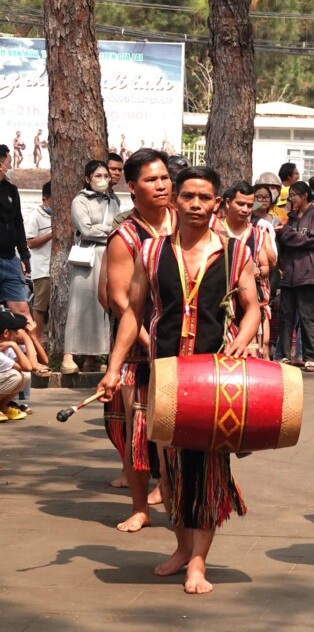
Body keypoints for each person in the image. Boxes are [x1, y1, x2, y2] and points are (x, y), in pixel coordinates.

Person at [98, 165, 260, 595]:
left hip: (214, 380)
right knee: (168, 470)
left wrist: (241, 342)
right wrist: (115, 367)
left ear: (216, 204)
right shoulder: (151, 252)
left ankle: (199, 563)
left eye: (204, 198)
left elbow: (252, 309)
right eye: (187, 196)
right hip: (163, 376)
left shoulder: (236, 252)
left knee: (205, 468)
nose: (195, 205)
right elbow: (132, 312)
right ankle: (181, 548)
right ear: (176, 201)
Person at [102, 147, 177, 526]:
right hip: (138, 347)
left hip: (186, 345)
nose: (161, 185)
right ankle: (139, 508)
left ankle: (174, 494)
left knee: (178, 430)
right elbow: (118, 300)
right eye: (151, 179)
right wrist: (152, 343)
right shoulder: (125, 236)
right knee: (139, 429)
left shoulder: (186, 222)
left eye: (164, 177)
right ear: (132, 187)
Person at [64, 160, 120, 374]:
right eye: (97, 176)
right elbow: (85, 231)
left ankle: (93, 357)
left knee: (101, 306)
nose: (102, 180)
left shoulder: (112, 199)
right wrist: (107, 229)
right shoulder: (80, 200)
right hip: (87, 256)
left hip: (108, 254)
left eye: (105, 175)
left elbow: (118, 226)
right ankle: (69, 355)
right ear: (88, 178)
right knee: (80, 305)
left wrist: (102, 229)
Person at [216, 181, 276, 358]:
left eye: (249, 205)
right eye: (240, 204)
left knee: (253, 353)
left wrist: (258, 272)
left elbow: (267, 266)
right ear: (228, 203)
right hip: (218, 303)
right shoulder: (214, 230)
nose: (245, 209)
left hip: (248, 301)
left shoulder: (257, 234)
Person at [277, 181, 314, 372]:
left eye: (294, 195)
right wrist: (289, 236)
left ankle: (308, 356)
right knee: (286, 317)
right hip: (289, 275)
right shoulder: (291, 217)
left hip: (309, 275)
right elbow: (283, 239)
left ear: (305, 195)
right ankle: (284, 355)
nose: (292, 199)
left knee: (307, 318)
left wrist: (288, 236)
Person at [0, 145, 31, 320]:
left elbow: (18, 223)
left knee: (23, 312)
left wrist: (24, 255)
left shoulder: (11, 190)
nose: (11, 167)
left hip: (11, 260)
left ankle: (29, 347)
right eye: (9, 162)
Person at [24, 182, 52, 336]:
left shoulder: (58, 215)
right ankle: (38, 339)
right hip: (42, 269)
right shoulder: (35, 216)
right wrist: (51, 234)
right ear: (45, 199)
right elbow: (31, 243)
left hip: (56, 268)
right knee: (40, 307)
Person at [0, 310, 31, 422]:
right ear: (6, 333)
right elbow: (27, 366)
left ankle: (3, 406)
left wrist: (13, 346)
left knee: (25, 375)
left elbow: (27, 367)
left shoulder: (6, 347)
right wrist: (15, 345)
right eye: (15, 331)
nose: (17, 334)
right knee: (14, 375)